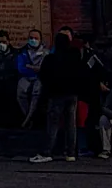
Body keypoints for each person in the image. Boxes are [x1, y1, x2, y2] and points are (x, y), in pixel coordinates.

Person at [30, 30, 86, 163]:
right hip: (72, 94)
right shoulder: (75, 55)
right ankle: (71, 153)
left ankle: (48, 151)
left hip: (56, 95)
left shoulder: (51, 59)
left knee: (53, 124)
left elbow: (43, 76)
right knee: (70, 124)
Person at [16, 30, 47, 126]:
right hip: (26, 77)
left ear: (40, 40)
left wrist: (30, 66)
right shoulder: (23, 52)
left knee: (36, 94)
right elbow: (21, 68)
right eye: (31, 38)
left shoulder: (45, 53)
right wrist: (34, 69)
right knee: (20, 93)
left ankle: (28, 120)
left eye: (36, 38)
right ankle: (28, 117)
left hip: (39, 78)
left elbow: (44, 69)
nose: (33, 40)